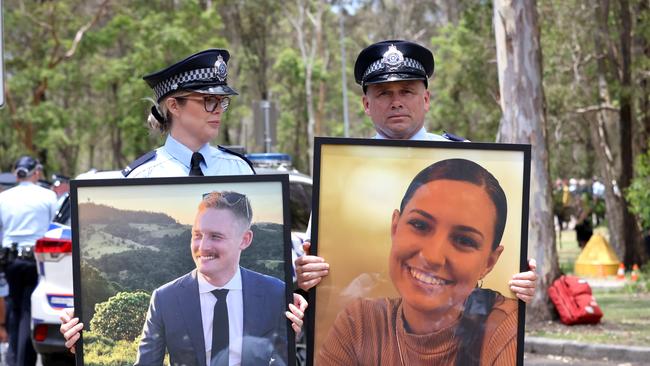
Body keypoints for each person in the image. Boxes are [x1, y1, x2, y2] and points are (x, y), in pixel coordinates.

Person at [60, 49, 307, 359]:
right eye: (208, 101)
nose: (218, 109)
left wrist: (294, 294)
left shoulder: (239, 171)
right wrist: (77, 326)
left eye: (222, 101)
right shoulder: (141, 176)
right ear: (173, 105)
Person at [295, 40, 537, 303]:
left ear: (426, 99)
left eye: (407, 91)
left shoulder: (467, 158)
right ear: (366, 104)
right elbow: (316, 261)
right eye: (384, 93)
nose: (396, 102)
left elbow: (501, 258)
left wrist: (519, 282)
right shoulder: (339, 168)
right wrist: (307, 275)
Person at [318, 159, 518, 365]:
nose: (432, 257)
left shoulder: (504, 329)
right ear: (395, 227)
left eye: (464, 240)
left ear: (489, 262)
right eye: (419, 225)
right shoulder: (359, 323)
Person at [132, 191, 289, 366]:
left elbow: (284, 358)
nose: (203, 247)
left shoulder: (275, 293)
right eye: (197, 235)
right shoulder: (165, 298)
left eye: (216, 236)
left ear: (244, 240)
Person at [0, 156, 58, 366]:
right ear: (36, 172)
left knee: (14, 307)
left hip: (10, 261)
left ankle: (13, 358)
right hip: (36, 260)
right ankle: (23, 361)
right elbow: (55, 228)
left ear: (16, 173)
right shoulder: (48, 196)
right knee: (28, 310)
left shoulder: (4, 197)